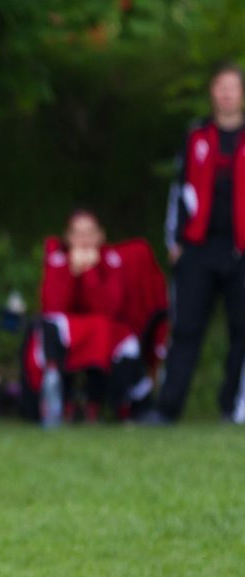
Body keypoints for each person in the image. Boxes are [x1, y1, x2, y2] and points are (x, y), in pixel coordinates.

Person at [155, 61, 245, 424]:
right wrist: (174, 241)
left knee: (242, 331)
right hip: (197, 248)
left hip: (240, 250)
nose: (226, 93)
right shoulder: (195, 136)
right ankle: (167, 409)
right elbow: (178, 189)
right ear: (212, 92)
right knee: (185, 328)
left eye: (232, 87)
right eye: (220, 87)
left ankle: (232, 406)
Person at [24, 210, 166, 423]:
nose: (84, 240)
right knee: (49, 330)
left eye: (90, 233)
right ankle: (56, 400)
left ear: (101, 236)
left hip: (103, 332)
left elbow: (109, 308)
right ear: (68, 238)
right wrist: (72, 271)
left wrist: (90, 272)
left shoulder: (111, 261)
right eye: (78, 234)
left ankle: (104, 404)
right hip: (66, 333)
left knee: (110, 335)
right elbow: (52, 306)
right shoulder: (57, 260)